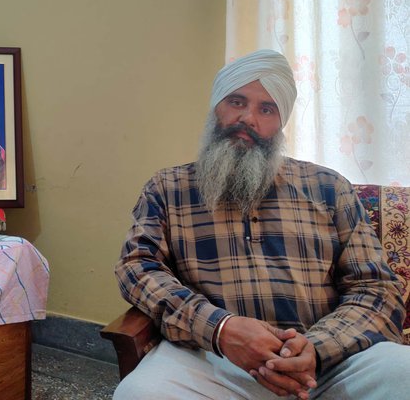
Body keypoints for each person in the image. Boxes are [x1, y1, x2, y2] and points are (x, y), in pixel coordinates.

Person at [114, 49, 410, 400]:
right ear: (216, 108)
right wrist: (221, 329)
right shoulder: (168, 187)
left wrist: (314, 349)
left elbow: (376, 287)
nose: (248, 118)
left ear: (280, 121)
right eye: (236, 102)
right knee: (140, 394)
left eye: (266, 109)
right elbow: (137, 268)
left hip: (324, 365)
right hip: (214, 359)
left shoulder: (329, 187)